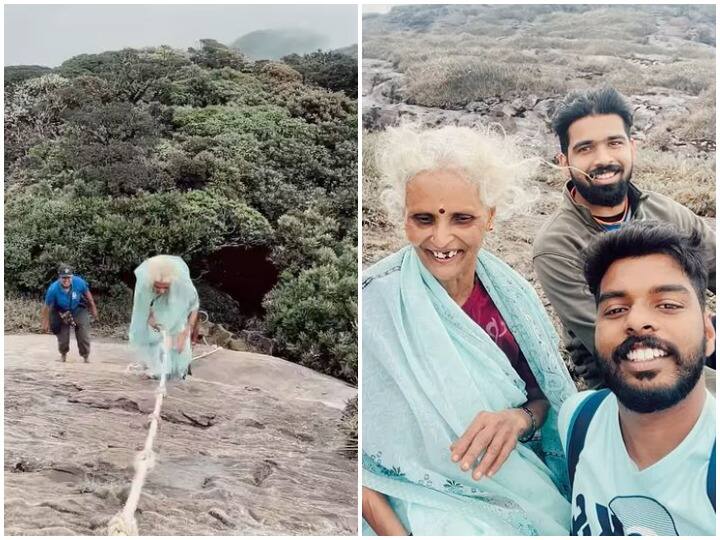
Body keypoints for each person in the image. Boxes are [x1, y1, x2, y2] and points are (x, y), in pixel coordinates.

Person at [362, 125, 577, 535]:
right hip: (413, 497)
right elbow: (358, 455)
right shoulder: (374, 299)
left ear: (490, 217)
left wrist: (518, 420)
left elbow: (544, 397)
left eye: (462, 218)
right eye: (423, 219)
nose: (441, 238)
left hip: (516, 480)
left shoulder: (512, 295)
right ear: (403, 218)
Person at [532, 87, 716, 389]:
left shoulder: (668, 212)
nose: (603, 159)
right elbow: (613, 342)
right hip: (624, 370)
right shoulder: (556, 246)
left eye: (614, 143)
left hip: (691, 337)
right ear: (564, 160)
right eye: (586, 148)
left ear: (632, 147)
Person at [558, 222, 716, 535]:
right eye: (615, 310)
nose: (638, 321)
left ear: (709, 333)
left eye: (668, 305)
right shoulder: (578, 420)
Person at [129, 255, 199, 380]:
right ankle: (157, 371)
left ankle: (181, 373)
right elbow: (143, 309)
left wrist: (187, 331)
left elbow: (194, 307)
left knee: (179, 352)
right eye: (157, 286)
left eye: (165, 287)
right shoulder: (144, 286)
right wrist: (152, 320)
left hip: (178, 317)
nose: (161, 291)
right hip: (160, 316)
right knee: (157, 345)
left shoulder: (183, 286)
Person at [41, 263, 98, 363]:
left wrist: (93, 309)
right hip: (60, 310)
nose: (66, 280)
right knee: (63, 337)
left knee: (83, 332)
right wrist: (45, 323)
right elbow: (46, 307)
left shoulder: (79, 282)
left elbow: (88, 296)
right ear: (59, 278)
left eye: (69, 277)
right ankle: (63, 355)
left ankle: (86, 356)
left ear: (72, 277)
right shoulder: (53, 289)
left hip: (77, 309)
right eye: (64, 278)